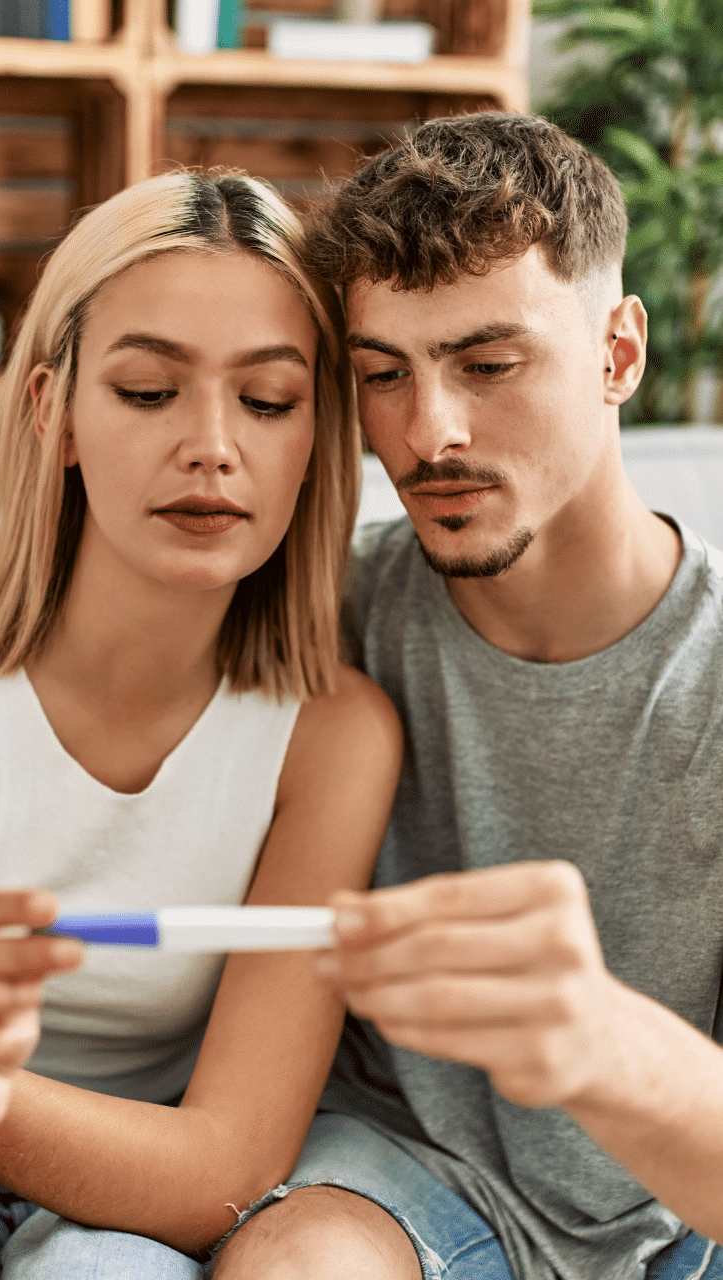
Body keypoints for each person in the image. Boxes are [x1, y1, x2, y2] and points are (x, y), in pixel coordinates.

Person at [206, 114, 723, 1280]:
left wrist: (591, 1037)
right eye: (383, 373)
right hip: (398, 1165)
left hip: (683, 1196)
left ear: (616, 353)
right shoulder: (320, 612)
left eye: (488, 364)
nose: (425, 431)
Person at [0, 170, 402, 1275]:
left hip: (134, 1208)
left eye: (266, 401)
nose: (212, 445)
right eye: (149, 391)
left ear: (315, 439)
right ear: (50, 413)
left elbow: (225, 1168)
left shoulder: (333, 738)